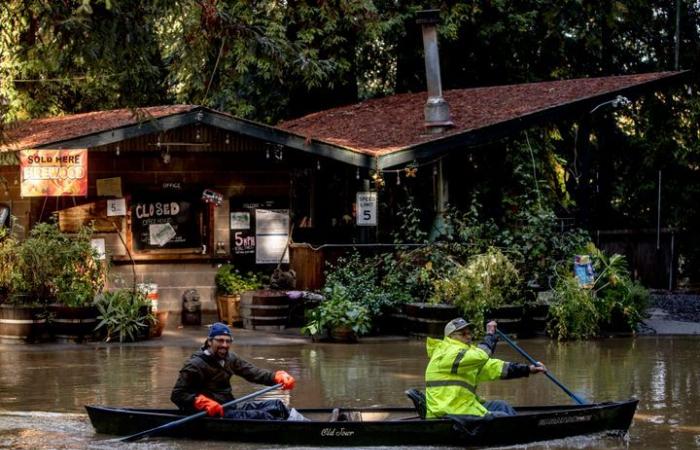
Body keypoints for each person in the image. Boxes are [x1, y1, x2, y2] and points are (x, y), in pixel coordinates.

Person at [171, 322, 302, 420]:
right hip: (212, 413)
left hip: (230, 406)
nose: (224, 345)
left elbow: (253, 373)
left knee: (277, 405)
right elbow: (177, 395)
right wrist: (200, 402)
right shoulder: (195, 365)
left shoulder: (230, 358)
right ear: (210, 341)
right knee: (264, 416)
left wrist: (276, 377)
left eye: (228, 341)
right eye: (220, 340)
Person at [425, 318, 547, 419]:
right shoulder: (447, 353)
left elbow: (495, 368)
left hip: (462, 407)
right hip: (449, 411)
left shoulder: (466, 357)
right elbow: (481, 356)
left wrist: (528, 369)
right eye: (463, 334)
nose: (468, 337)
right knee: (501, 416)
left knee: (501, 406)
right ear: (451, 337)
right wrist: (490, 335)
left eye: (469, 333)